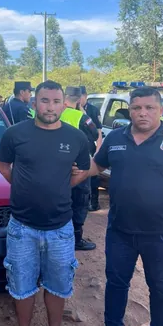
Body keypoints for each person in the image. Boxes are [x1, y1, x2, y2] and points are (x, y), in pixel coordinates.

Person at [0, 80, 90, 326]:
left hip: (60, 228)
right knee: (22, 286)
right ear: (34, 103)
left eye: (56, 101)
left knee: (58, 286)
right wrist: (22, 186)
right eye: (44, 101)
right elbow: (3, 165)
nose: (50, 107)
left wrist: (61, 185)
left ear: (64, 104)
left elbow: (83, 170)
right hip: (22, 228)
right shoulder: (15, 134)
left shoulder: (76, 138)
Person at [90, 86, 163, 326]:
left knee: (161, 288)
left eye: (149, 108)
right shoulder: (116, 138)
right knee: (116, 284)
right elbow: (95, 167)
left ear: (161, 110)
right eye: (136, 108)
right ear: (129, 110)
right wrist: (59, 171)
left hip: (162, 233)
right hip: (120, 230)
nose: (143, 113)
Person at [61, 87, 98, 251]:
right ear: (79, 99)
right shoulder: (81, 117)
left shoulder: (54, 114)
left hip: (57, 166)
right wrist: (82, 110)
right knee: (80, 201)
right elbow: (94, 134)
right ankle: (76, 239)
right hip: (79, 166)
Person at [80, 86, 103, 211]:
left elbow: (98, 132)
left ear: (85, 96)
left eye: (80, 97)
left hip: (90, 147)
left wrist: (98, 150)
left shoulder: (93, 110)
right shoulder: (71, 109)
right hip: (78, 148)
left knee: (93, 177)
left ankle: (94, 203)